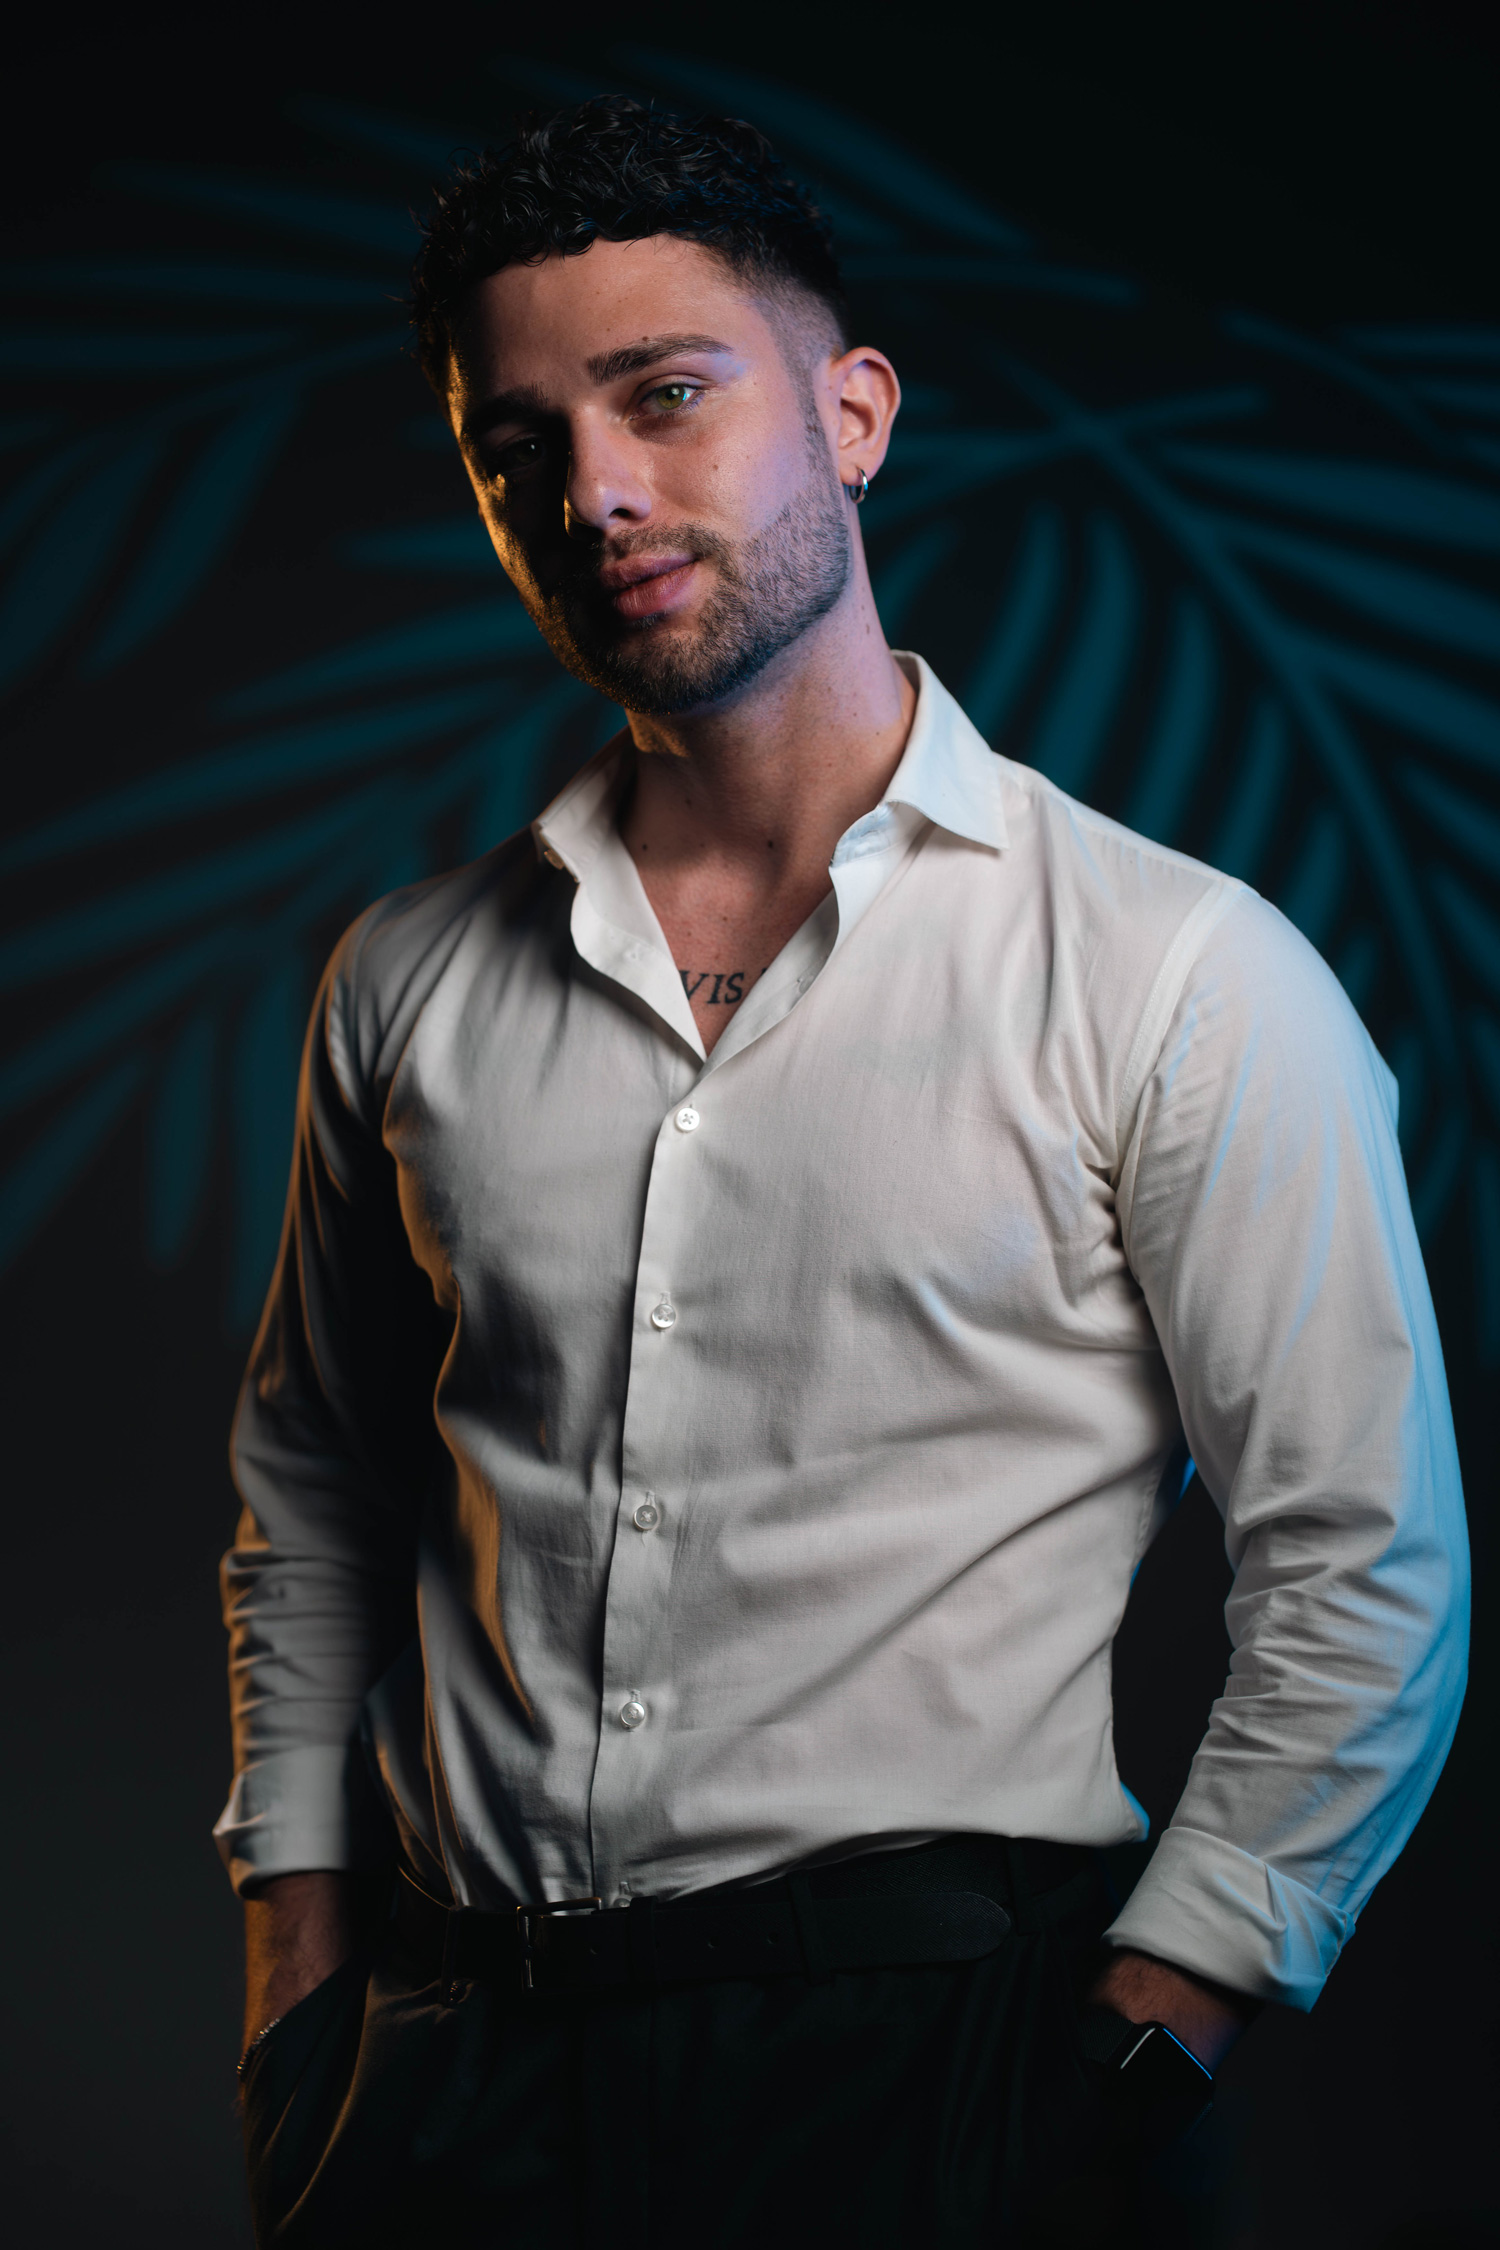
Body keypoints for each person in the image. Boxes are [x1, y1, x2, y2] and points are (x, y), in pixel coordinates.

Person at [217, 97, 1468, 2249]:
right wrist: (297, 1991)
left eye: (664, 395)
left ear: (855, 415)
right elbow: (313, 1497)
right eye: (517, 444)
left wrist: (1151, 2038)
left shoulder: (1176, 974)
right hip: (455, 2077)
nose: (596, 490)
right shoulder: (407, 978)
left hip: (956, 2066)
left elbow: (1363, 1564)